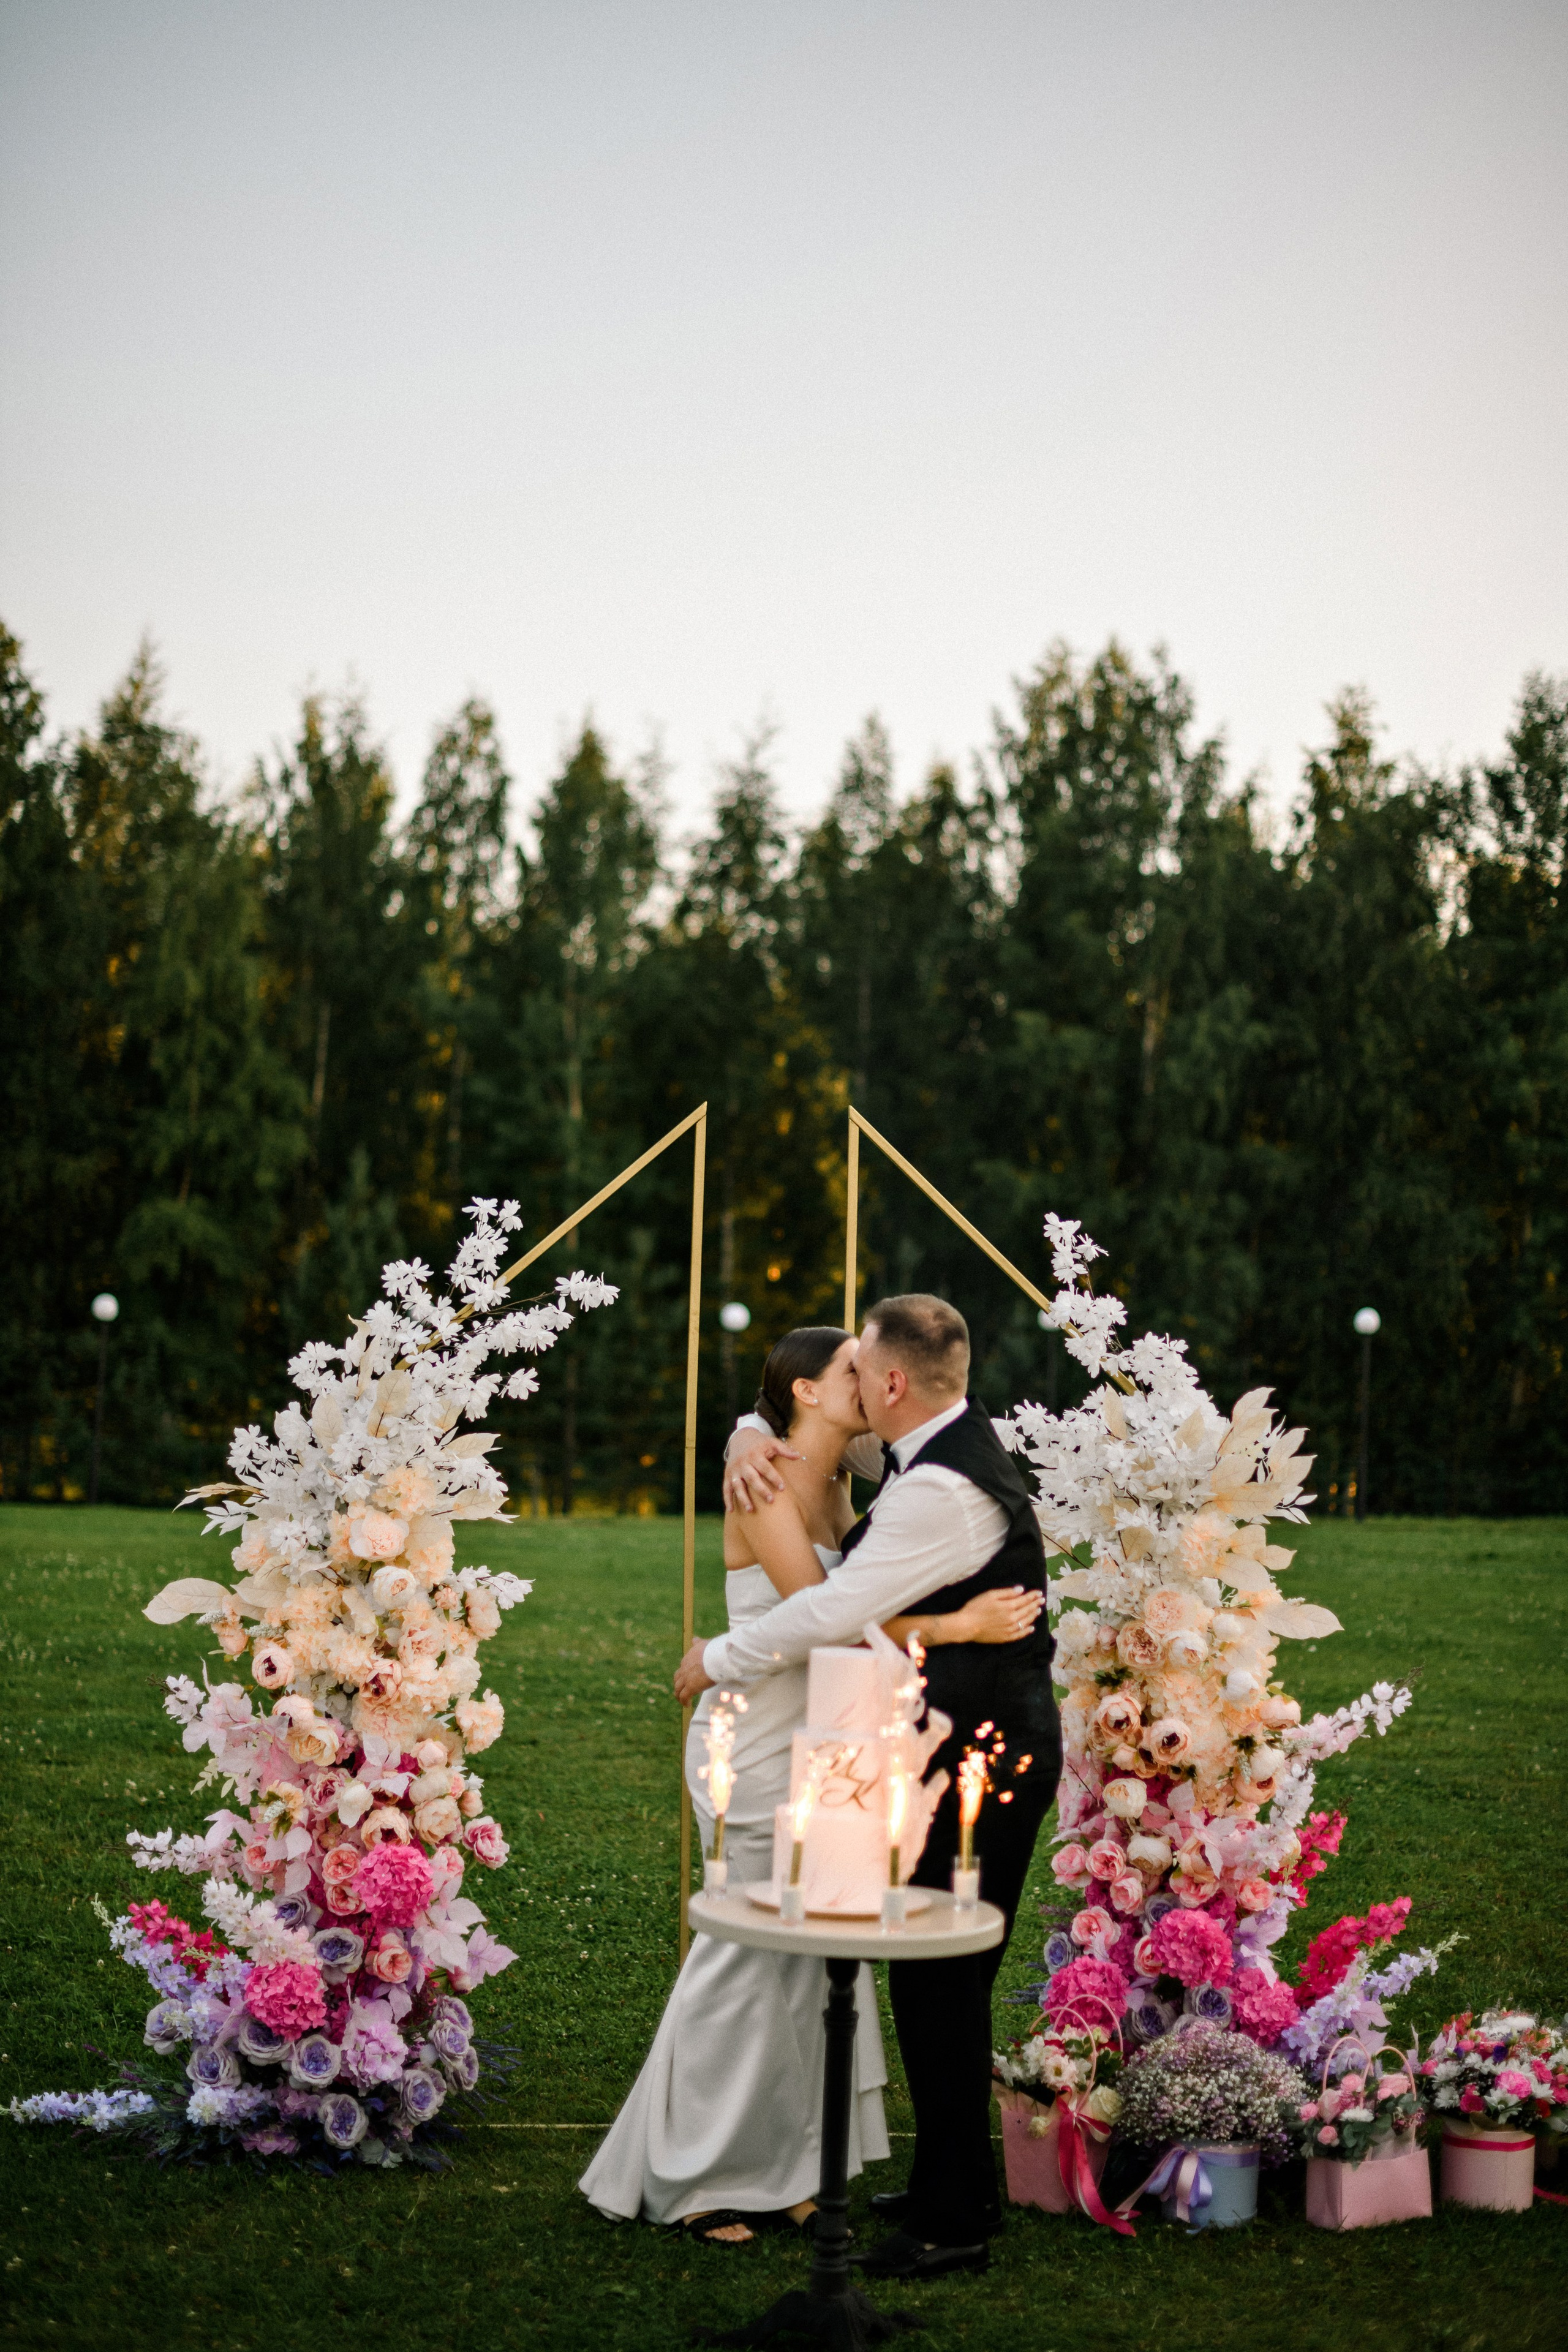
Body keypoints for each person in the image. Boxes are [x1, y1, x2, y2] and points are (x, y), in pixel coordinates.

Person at [578, 1323, 1037, 2245]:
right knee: (743, 1958)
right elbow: (825, 1620)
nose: (867, 1383)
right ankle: (692, 2172)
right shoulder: (771, 1481)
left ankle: (781, 2166)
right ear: (808, 1393)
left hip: (830, 1738)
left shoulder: (846, 1468)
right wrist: (960, 1628)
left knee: (807, 1960)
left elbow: (920, 1429)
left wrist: (739, 1432)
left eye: (868, 1371)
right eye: (848, 1373)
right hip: (757, 1742)